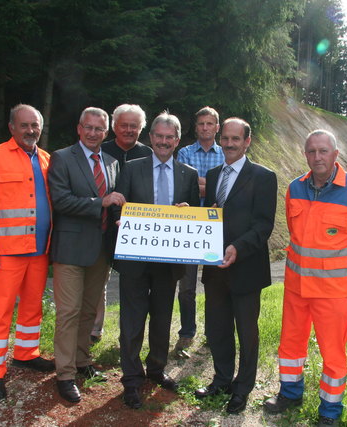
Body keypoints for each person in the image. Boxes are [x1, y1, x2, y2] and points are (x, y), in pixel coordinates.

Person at [263, 130, 347, 427]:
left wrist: (341, 272)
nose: (317, 157)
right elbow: (295, 232)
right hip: (297, 287)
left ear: (335, 154)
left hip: (333, 291)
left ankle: (329, 413)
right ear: (305, 155)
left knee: (333, 352)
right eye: (312, 151)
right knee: (290, 344)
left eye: (323, 151)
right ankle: (290, 394)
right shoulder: (294, 188)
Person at [114, 111, 199, 409]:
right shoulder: (131, 168)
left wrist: (187, 211)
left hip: (168, 262)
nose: (163, 142)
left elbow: (196, 221)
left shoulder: (187, 173)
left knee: (162, 319)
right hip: (135, 260)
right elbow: (117, 207)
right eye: (159, 136)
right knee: (133, 319)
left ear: (177, 141)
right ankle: (131, 379)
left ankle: (156, 370)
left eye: (169, 137)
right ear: (151, 138)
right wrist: (119, 220)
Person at [0, 104, 55, 401]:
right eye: (24, 125)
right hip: (5, 253)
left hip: (39, 250)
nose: (31, 130)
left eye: (35, 125)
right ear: (11, 128)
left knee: (33, 307)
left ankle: (26, 353)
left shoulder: (46, 160)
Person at [194, 118, 277, 414]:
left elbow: (263, 224)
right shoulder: (214, 174)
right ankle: (222, 379)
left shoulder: (264, 176)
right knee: (217, 328)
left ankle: (243, 389)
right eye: (225, 139)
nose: (229, 144)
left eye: (235, 139)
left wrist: (238, 248)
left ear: (247, 142)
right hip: (215, 268)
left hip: (246, 269)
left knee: (246, 332)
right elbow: (211, 216)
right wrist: (188, 215)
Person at [48, 107, 125, 403]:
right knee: (69, 312)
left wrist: (123, 216)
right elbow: (61, 200)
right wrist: (101, 202)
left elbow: (116, 202)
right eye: (89, 127)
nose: (94, 133)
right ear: (79, 129)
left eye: (99, 129)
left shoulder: (112, 162)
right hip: (70, 249)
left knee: (89, 311)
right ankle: (65, 374)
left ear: (106, 132)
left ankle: (82, 362)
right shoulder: (62, 157)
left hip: (101, 250)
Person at [90, 104, 152, 343]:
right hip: (103, 229)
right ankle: (94, 330)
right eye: (123, 125)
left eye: (134, 126)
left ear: (141, 128)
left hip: (138, 234)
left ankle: (131, 337)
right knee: (98, 282)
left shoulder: (149, 153)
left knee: (135, 287)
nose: (128, 130)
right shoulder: (99, 151)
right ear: (113, 127)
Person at [172, 106, 224, 358]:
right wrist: (205, 186)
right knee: (186, 286)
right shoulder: (184, 152)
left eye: (209, 123)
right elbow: (184, 185)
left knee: (216, 284)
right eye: (201, 123)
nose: (205, 127)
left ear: (217, 127)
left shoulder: (226, 153)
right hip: (190, 228)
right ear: (196, 127)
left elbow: (225, 188)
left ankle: (214, 333)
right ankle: (187, 331)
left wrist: (201, 185)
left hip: (217, 227)